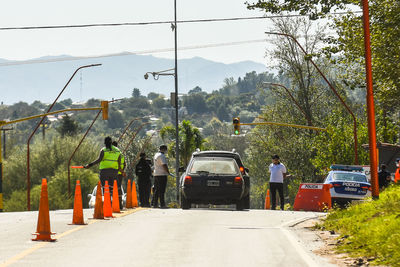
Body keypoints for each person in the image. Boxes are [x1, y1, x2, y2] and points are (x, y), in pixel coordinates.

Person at [112, 141, 125, 208]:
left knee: (112, 189)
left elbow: (118, 164)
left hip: (114, 173)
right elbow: (124, 164)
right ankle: (120, 204)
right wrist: (122, 172)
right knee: (119, 189)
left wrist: (120, 170)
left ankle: (115, 204)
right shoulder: (121, 153)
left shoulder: (115, 154)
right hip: (120, 174)